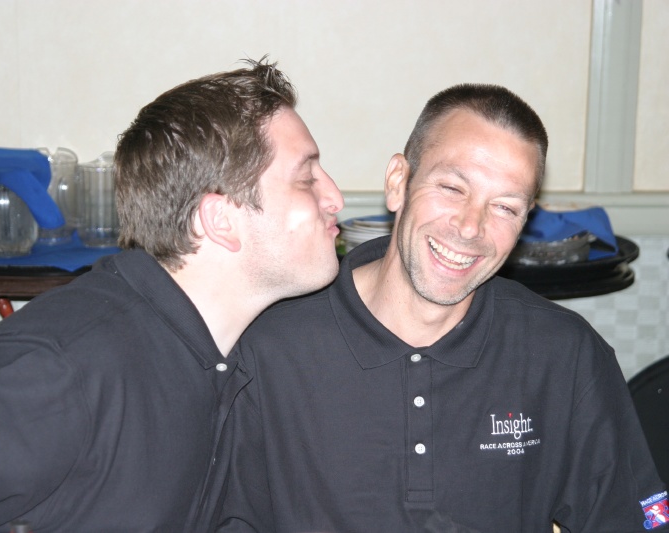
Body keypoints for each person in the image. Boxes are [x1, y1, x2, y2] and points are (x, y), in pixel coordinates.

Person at [0, 58, 344, 532]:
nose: (335, 199)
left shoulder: (223, 348)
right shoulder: (73, 360)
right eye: (306, 179)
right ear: (220, 220)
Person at [218, 84, 668, 532]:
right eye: (452, 188)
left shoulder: (564, 354)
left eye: (505, 207)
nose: (471, 227)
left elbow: (634, 520)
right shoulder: (267, 346)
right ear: (398, 182)